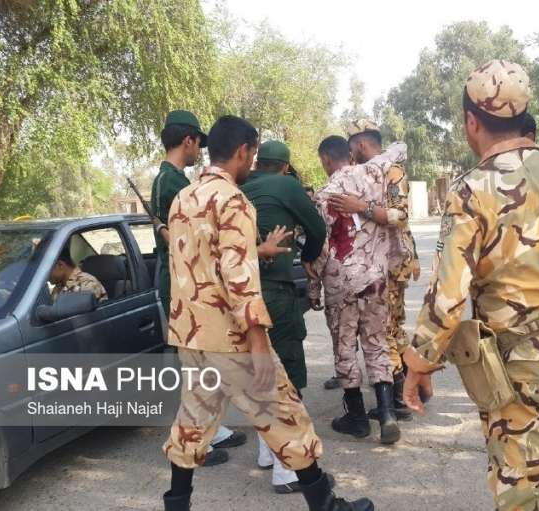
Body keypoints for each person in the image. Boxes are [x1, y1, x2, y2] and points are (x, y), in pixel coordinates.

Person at [402, 60, 539, 510]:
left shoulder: (471, 190)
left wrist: (419, 362)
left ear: (470, 120)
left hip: (517, 372)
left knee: (522, 494)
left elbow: (448, 297)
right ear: (524, 114)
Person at [161, 115, 373, 511]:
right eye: (252, 154)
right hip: (232, 337)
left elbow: (194, 265)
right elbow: (237, 274)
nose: (251, 161)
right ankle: (325, 504)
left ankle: (177, 504)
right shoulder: (233, 201)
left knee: (192, 421)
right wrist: (258, 341)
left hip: (190, 335)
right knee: (285, 414)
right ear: (243, 151)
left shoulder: (182, 200)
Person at [150, 109, 244, 467]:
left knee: (204, 363)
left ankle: (209, 432)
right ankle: (193, 446)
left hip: (189, 280)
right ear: (187, 141)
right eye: (197, 144)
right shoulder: (172, 182)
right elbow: (185, 239)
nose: (199, 152)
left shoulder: (174, 180)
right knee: (197, 363)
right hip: (183, 283)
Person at [241, 140, 327, 493]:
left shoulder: (236, 187)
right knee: (287, 376)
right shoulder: (287, 186)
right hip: (274, 292)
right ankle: (286, 469)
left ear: (259, 162)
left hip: (241, 293)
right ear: (285, 166)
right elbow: (317, 230)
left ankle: (266, 451)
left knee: (260, 375)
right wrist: (308, 257)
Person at [311, 135, 405, 445]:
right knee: (376, 343)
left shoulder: (323, 195)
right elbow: (399, 148)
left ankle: (356, 418)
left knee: (345, 347)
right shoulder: (374, 172)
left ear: (326, 160)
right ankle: (387, 412)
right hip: (375, 278)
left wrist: (314, 289)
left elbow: (319, 249)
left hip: (341, 286)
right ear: (349, 154)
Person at [329, 120, 420, 421]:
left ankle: (397, 401)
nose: (350, 153)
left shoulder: (391, 171)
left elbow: (399, 215)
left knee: (387, 332)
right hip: (380, 262)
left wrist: (360, 207)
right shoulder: (369, 173)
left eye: (352, 146)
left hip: (391, 263)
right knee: (389, 330)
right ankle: (400, 396)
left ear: (361, 144)